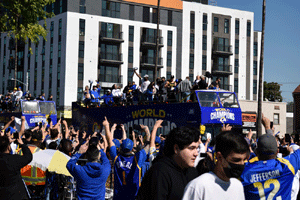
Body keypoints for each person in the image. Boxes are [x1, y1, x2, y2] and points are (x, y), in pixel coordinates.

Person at [240, 115, 300, 200]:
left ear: (257, 152)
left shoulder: (245, 171)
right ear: (277, 151)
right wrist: (268, 128)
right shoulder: (287, 166)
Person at [137, 126, 200, 200]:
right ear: (176, 149)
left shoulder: (192, 172)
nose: (196, 153)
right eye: (191, 148)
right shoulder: (159, 172)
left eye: (197, 148)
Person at [182, 130, 249, 200]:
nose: (241, 164)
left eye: (244, 160)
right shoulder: (198, 187)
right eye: (236, 160)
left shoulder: (238, 185)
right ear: (219, 157)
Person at [104, 117, 149, 200]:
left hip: (119, 196)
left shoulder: (116, 157)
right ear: (132, 148)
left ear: (121, 148)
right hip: (133, 196)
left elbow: (109, 141)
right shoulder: (137, 159)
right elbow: (148, 145)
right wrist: (147, 130)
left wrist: (107, 126)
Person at [0, 135, 33, 199]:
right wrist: (22, 145)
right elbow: (28, 157)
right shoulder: (13, 159)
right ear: (8, 147)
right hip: (16, 194)